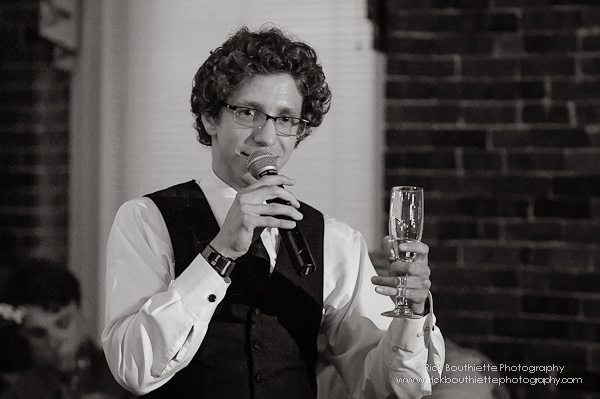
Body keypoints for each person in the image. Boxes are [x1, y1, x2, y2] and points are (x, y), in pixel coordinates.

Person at [102, 26, 445, 399]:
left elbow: (392, 388)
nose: (266, 137)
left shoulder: (333, 240)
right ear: (210, 118)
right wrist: (219, 255)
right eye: (249, 113)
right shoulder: (147, 220)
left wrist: (410, 317)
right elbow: (132, 368)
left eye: (285, 120)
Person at [1, 262, 135, 399]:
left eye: (63, 323)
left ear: (83, 310)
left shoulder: (130, 374)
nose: (54, 342)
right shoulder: (19, 390)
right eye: (38, 333)